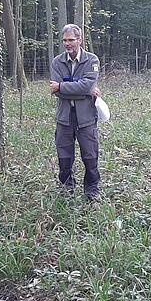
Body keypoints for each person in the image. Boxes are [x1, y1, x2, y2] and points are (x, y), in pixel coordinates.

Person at [49, 24, 102, 200]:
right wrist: (84, 90)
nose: (67, 43)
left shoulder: (92, 60)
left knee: (90, 156)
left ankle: (92, 190)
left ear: (79, 40)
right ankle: (66, 189)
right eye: (65, 40)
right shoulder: (57, 62)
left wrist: (64, 87)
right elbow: (56, 91)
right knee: (64, 157)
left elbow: (86, 84)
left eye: (71, 40)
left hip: (86, 117)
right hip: (64, 117)